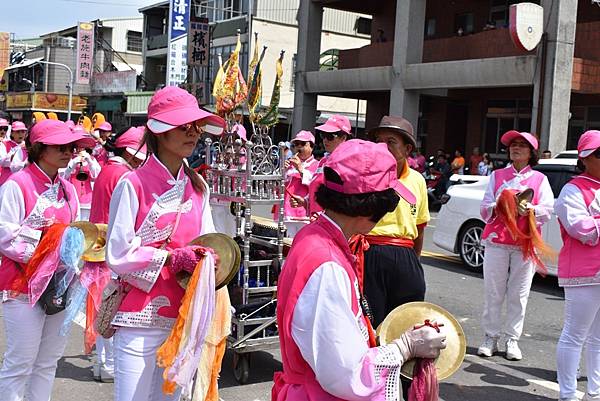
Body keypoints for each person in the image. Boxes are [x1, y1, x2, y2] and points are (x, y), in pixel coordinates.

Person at [271, 139, 446, 401]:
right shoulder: (326, 264)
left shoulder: (318, 236)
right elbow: (347, 375)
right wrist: (405, 347)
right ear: (371, 206)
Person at [106, 86, 225, 401]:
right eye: (183, 126)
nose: (193, 133)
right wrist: (172, 259)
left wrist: (209, 259)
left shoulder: (199, 187)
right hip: (139, 319)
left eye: (196, 126)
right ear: (158, 132)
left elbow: (208, 243)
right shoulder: (132, 184)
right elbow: (117, 254)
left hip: (184, 319)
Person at [0, 119, 95, 401]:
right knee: (20, 363)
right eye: (61, 147)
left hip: (58, 285)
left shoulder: (68, 188)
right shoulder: (17, 184)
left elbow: (76, 232)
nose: (69, 152)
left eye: (72, 147)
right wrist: (51, 247)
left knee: (47, 362)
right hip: (21, 285)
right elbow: (5, 236)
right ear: (39, 148)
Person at [477, 130, 554, 361]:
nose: (515, 148)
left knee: (519, 294)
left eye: (521, 145)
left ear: (531, 153)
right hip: (497, 242)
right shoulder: (497, 175)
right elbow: (484, 208)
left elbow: (547, 210)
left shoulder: (540, 179)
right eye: (513, 145)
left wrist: (528, 208)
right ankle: (490, 337)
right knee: (493, 291)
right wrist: (500, 203)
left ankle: (512, 339)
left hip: (524, 243)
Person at [86, 126, 147, 383]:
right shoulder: (124, 176)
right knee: (112, 309)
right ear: (130, 154)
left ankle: (103, 364)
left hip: (97, 247)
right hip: (112, 250)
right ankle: (109, 365)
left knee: (102, 306)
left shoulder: (106, 170)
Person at [363, 115, 430, 327]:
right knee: (370, 321)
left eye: (390, 142)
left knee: (406, 322)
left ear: (407, 149)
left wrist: (413, 261)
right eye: (379, 142)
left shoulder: (417, 180)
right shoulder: (365, 176)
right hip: (370, 252)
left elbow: (420, 226)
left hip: (405, 255)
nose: (382, 147)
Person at [555, 130, 600, 401]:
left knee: (599, 339)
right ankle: (568, 394)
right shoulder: (573, 189)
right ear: (584, 159)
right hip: (583, 274)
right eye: (599, 154)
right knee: (575, 335)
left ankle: (594, 392)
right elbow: (581, 229)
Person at [290, 114, 352, 216]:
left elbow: (343, 197)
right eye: (323, 135)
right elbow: (318, 187)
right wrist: (305, 201)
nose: (325, 140)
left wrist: (323, 213)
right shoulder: (324, 161)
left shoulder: (346, 162)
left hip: (331, 222)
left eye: (330, 136)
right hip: (317, 219)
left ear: (344, 138)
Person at [274, 130, 319, 235]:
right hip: (286, 212)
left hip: (303, 215)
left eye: (303, 144)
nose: (299, 147)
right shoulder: (289, 164)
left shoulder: (316, 165)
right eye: (296, 144)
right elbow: (277, 186)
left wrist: (300, 169)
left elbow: (316, 184)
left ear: (311, 147)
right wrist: (282, 171)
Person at [0, 121, 28, 186]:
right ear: (12, 133)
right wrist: (17, 150)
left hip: (22, 181)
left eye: (23, 132)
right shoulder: (4, 144)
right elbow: (2, 162)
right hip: (6, 180)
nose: (21, 134)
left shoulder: (28, 146)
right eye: (18, 132)